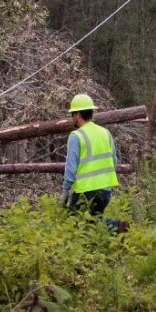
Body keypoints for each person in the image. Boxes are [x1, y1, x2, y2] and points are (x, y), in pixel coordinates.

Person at [61, 94, 127, 232]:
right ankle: (117, 231)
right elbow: (114, 161)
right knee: (93, 224)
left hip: (86, 191)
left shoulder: (76, 136)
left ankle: (116, 226)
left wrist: (65, 191)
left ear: (78, 114)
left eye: (73, 114)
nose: (72, 118)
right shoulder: (105, 133)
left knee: (73, 223)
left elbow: (71, 168)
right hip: (106, 191)